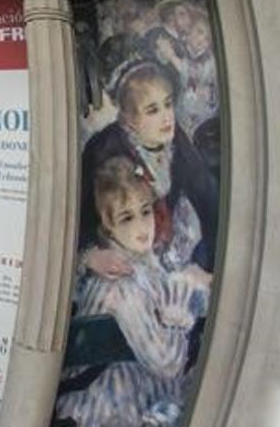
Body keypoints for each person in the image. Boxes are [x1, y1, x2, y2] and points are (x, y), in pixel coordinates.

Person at [56, 157, 211, 427]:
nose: (143, 226)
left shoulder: (144, 265)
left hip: (133, 397)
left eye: (145, 212)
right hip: (105, 412)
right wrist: (176, 323)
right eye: (127, 218)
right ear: (108, 226)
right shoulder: (119, 285)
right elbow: (167, 362)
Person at [80, 58, 217, 278]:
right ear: (129, 118)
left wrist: (208, 267)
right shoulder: (102, 149)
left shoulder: (176, 140)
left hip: (164, 259)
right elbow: (75, 217)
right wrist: (90, 255)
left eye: (168, 104)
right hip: (121, 263)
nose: (166, 117)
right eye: (152, 110)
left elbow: (209, 199)